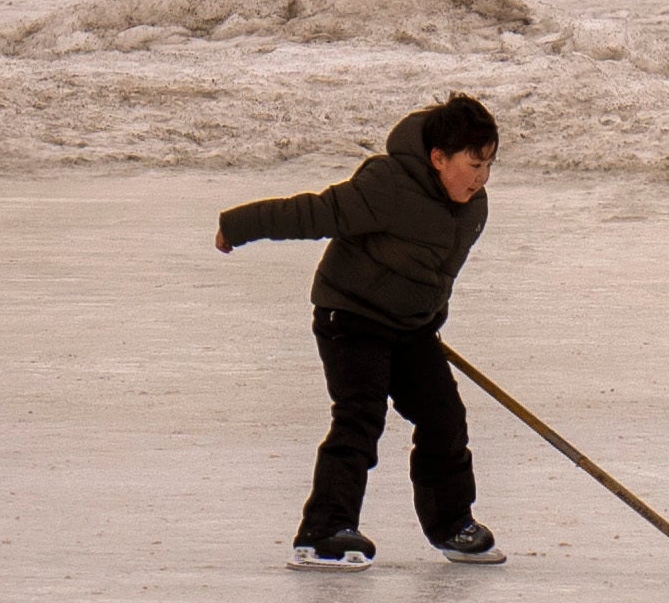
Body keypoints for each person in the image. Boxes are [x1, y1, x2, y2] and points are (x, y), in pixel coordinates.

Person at [217, 95, 506, 570]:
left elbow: (434, 273)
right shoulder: (387, 185)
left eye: (490, 165)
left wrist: (427, 321)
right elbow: (311, 213)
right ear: (438, 158)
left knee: (444, 418)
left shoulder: (472, 207)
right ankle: (324, 530)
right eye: (474, 164)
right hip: (351, 318)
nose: (482, 178)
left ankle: (452, 525)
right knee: (361, 416)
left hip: (411, 330)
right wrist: (238, 225)